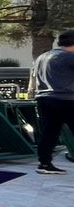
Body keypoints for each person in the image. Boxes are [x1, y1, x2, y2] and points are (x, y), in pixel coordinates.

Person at [31, 29, 74, 174]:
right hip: (66, 100)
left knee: (50, 132)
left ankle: (44, 164)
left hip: (44, 99)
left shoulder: (43, 57)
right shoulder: (69, 57)